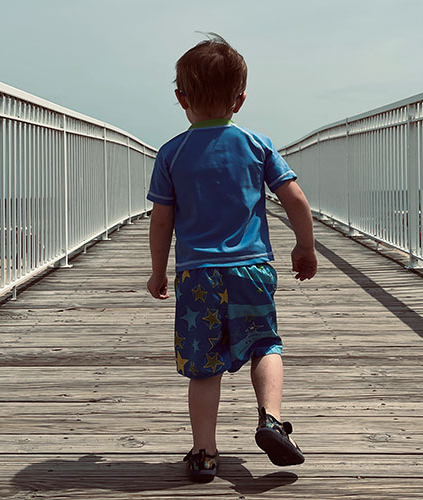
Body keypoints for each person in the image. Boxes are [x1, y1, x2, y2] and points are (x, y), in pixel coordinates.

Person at [146, 33, 317, 483]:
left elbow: (161, 221)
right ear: (240, 100)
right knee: (264, 343)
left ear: (180, 97)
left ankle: (204, 452)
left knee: (204, 367)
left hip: (197, 275)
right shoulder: (256, 145)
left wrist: (158, 269)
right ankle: (271, 419)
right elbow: (295, 198)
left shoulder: (172, 153)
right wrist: (305, 245)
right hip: (252, 268)